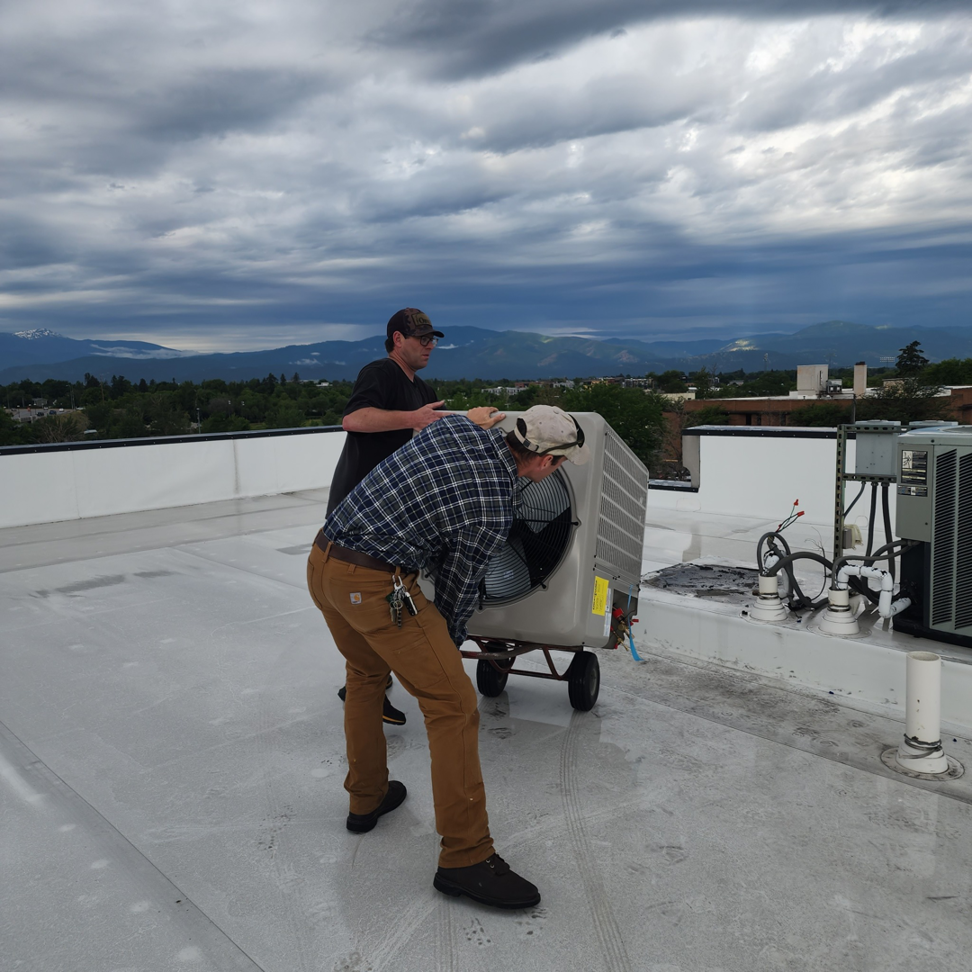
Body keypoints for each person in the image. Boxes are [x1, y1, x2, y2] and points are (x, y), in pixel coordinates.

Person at [306, 404, 590, 909]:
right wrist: (446, 646)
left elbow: (466, 423)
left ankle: (366, 796)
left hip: (323, 561)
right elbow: (457, 593)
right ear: (546, 464)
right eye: (563, 463)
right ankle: (465, 857)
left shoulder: (459, 426)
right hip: (374, 584)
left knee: (366, 674)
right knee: (454, 705)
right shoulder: (491, 509)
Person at [328, 307, 502, 725]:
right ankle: (362, 685)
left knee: (387, 606)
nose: (429, 345)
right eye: (420, 337)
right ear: (396, 339)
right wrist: (415, 418)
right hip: (361, 511)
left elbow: (433, 439)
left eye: (432, 338)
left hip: (394, 517)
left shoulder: (422, 389)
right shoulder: (380, 373)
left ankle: (367, 681)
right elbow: (354, 419)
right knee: (376, 605)